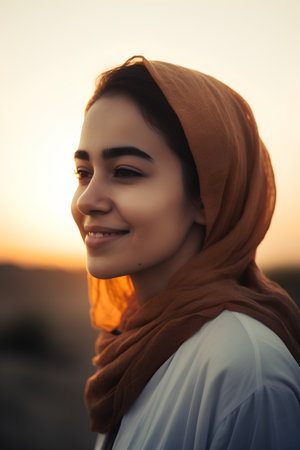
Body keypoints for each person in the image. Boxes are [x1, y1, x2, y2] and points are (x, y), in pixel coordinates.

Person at [71, 56, 300, 449]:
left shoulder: (246, 371)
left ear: (207, 198)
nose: (87, 201)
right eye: (83, 173)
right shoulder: (133, 345)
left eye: (125, 171)